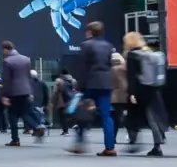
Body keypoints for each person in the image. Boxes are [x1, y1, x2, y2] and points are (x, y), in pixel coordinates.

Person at [67, 22, 120, 156]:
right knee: (106, 116)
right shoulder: (109, 46)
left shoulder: (86, 45)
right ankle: (110, 147)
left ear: (90, 32)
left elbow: (84, 67)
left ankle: (79, 143)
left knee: (82, 112)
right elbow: (109, 64)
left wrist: (79, 86)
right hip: (105, 83)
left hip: (90, 83)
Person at [122, 31, 168, 156]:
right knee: (152, 117)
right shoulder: (148, 52)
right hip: (153, 89)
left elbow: (131, 76)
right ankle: (157, 144)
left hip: (139, 89)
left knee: (132, 116)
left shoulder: (132, 55)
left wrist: (131, 93)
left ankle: (133, 141)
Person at [0, 40, 35, 145]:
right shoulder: (26, 59)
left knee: (12, 115)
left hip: (13, 92)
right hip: (26, 90)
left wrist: (4, 95)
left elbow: (7, 80)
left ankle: (15, 139)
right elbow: (28, 77)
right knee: (25, 112)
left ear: (5, 49)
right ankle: (37, 126)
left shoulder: (7, 61)